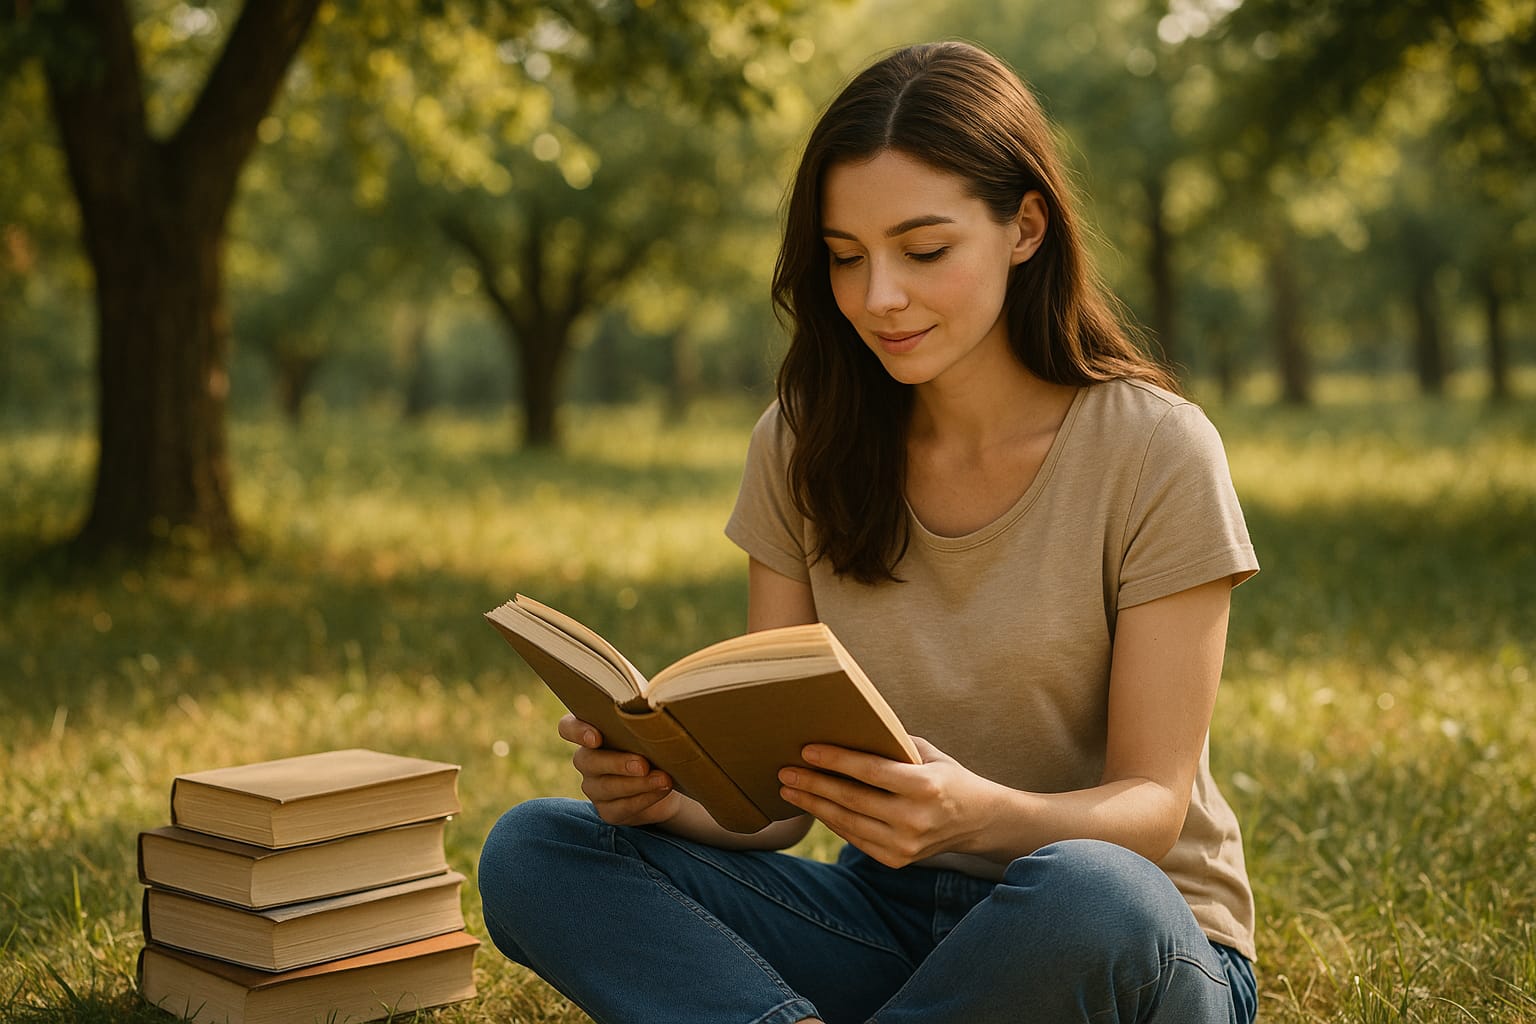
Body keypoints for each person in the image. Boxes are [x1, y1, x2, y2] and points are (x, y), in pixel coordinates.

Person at [478, 40, 1260, 1024]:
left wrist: (980, 815)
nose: (877, 296)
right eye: (846, 258)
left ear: (1025, 227)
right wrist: (663, 800)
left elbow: (1149, 805)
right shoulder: (803, 441)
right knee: (539, 848)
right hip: (888, 927)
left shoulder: (1156, 450)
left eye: (923, 251)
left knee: (1093, 890)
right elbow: (782, 800)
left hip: (1127, 946)